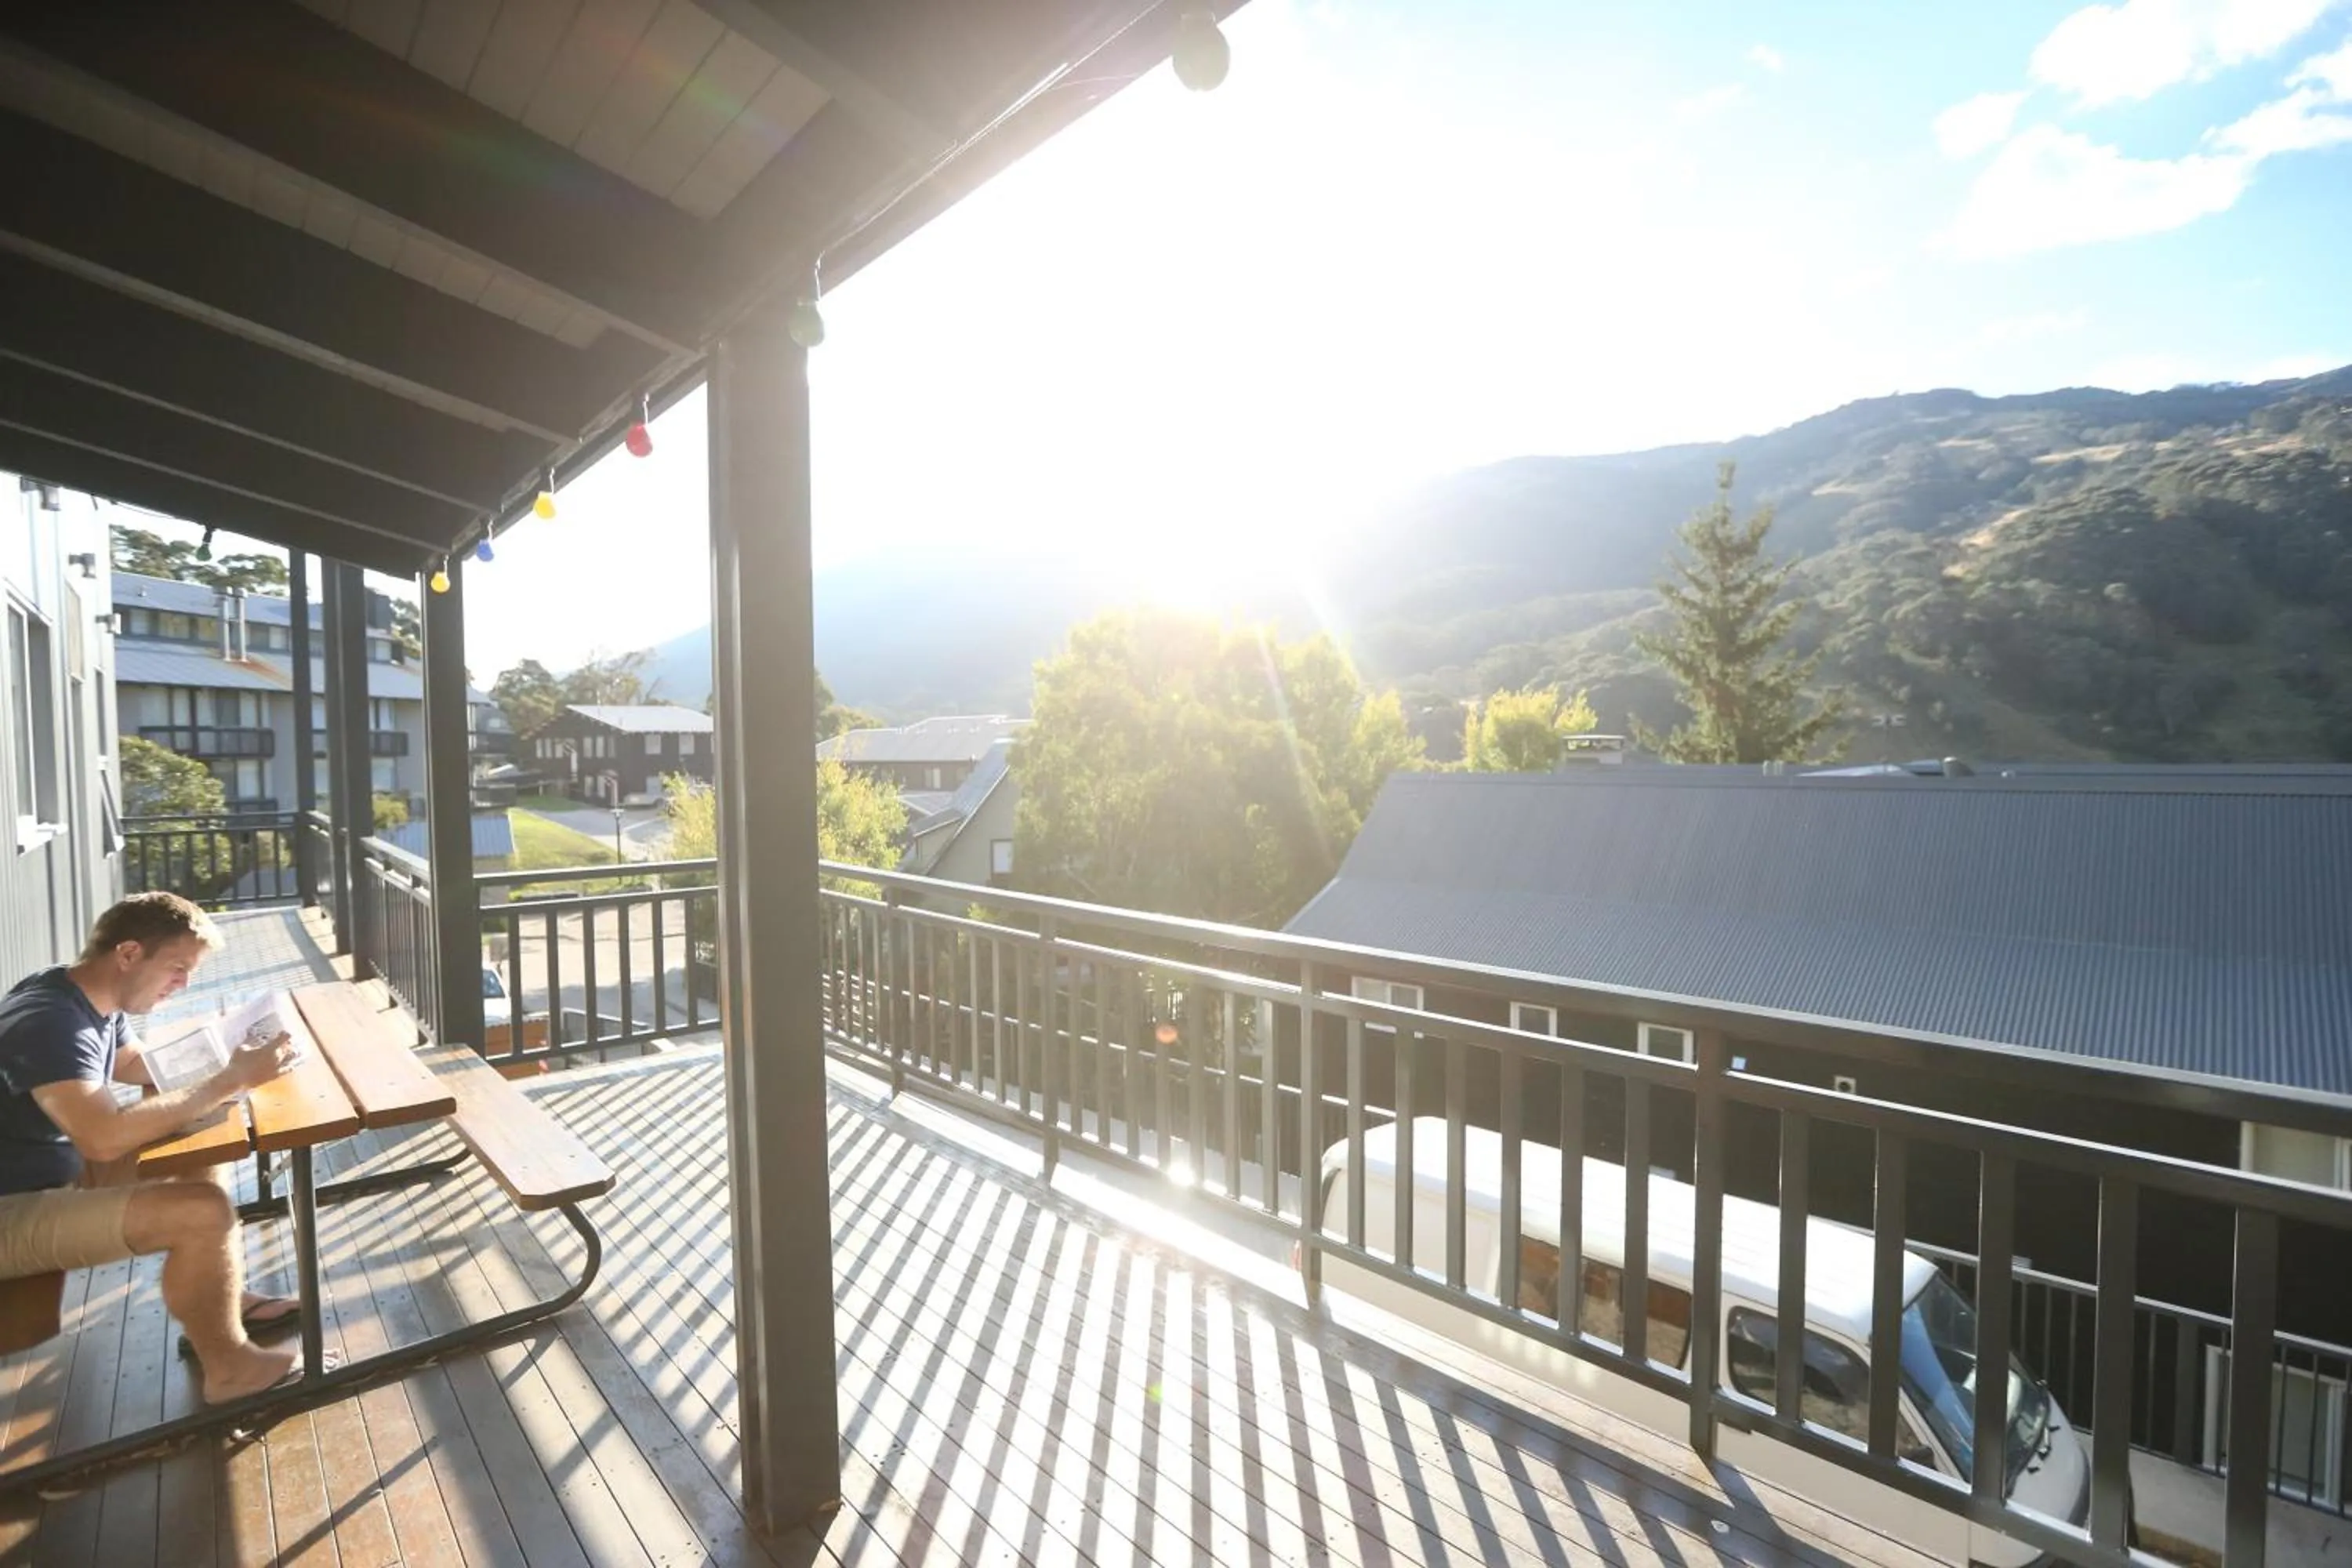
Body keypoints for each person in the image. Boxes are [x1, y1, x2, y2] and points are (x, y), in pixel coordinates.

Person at [0, 892, 304, 1403]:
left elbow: (140, 1067)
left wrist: (232, 1058)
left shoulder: (85, 995)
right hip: (12, 1208)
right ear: (128, 954)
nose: (183, 985)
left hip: (47, 1171)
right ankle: (229, 1369)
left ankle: (218, 1299)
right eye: (178, 969)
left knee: (200, 1132)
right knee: (201, 1213)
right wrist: (229, 1078)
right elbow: (101, 1137)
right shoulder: (52, 1022)